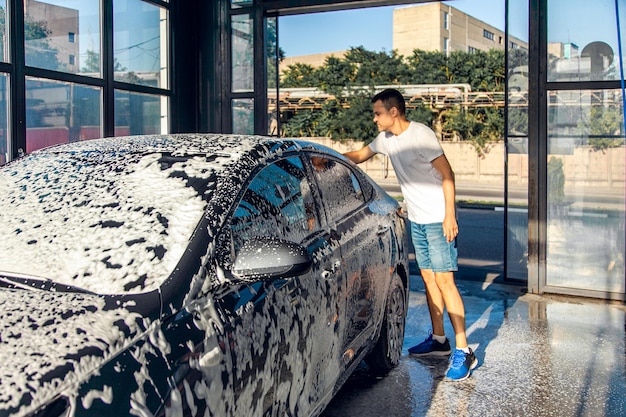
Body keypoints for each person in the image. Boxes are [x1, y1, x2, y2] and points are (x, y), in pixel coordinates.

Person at [343, 88, 477, 381]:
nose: (375, 118)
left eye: (378, 113)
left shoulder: (421, 135)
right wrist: (326, 158)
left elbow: (448, 175)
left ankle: (464, 350)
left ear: (393, 112)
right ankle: (440, 341)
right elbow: (359, 156)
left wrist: (450, 215)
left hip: (439, 219)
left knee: (445, 282)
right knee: (429, 281)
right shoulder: (386, 140)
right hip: (416, 218)